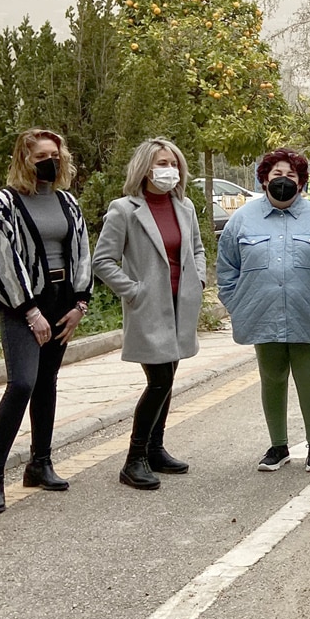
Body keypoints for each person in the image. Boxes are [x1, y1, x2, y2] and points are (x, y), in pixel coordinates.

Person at [0, 129, 94, 515]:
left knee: (47, 382)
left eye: (56, 154)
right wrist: (29, 311)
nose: (51, 161)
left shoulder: (67, 201)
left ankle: (39, 463)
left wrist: (80, 305)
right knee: (23, 383)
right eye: (42, 154)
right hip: (21, 303)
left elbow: (81, 250)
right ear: (24, 159)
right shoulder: (5, 202)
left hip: (62, 300)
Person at [92, 138, 208, 491]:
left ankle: (156, 450)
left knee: (168, 378)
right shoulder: (124, 209)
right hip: (149, 307)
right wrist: (134, 290)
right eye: (161, 162)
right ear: (145, 168)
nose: (169, 169)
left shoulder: (183, 206)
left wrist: (199, 278)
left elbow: (198, 249)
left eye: (173, 163)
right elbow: (102, 261)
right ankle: (134, 458)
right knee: (159, 381)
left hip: (179, 306)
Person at [218, 149, 310, 472]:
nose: (283, 181)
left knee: (308, 377)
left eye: (290, 176)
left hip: (309, 310)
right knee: (271, 378)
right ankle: (278, 446)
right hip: (261, 312)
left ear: (301, 182)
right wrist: (237, 304)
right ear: (263, 180)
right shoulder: (242, 220)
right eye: (276, 175)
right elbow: (227, 269)